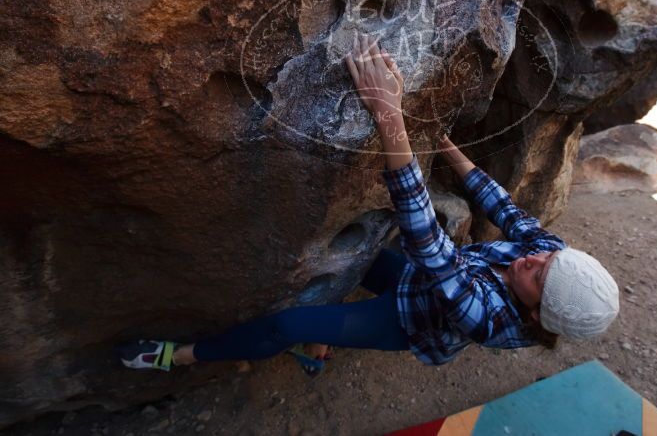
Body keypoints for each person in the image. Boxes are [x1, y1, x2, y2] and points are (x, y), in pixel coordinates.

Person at [119, 34, 619, 375]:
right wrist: (439, 141)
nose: (533, 257)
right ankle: (321, 336)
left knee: (286, 324)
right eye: (550, 256)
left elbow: (429, 244)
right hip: (429, 282)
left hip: (412, 321)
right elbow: (501, 205)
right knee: (351, 256)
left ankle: (179, 356)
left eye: (538, 275)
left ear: (535, 316)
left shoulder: (490, 322)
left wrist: (388, 116)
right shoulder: (551, 257)